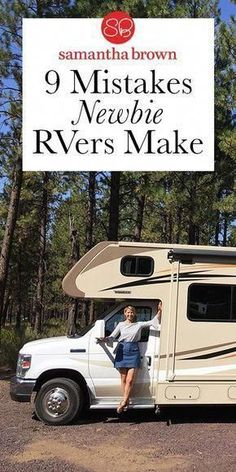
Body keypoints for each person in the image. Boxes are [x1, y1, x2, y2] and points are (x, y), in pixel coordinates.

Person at [97, 301, 162, 414]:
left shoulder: (139, 324)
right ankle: (126, 400)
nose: (130, 314)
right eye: (128, 312)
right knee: (123, 379)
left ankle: (124, 402)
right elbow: (112, 337)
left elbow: (152, 322)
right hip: (122, 351)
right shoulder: (120, 325)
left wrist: (160, 310)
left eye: (132, 312)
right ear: (125, 314)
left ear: (134, 314)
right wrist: (104, 339)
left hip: (134, 351)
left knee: (130, 379)